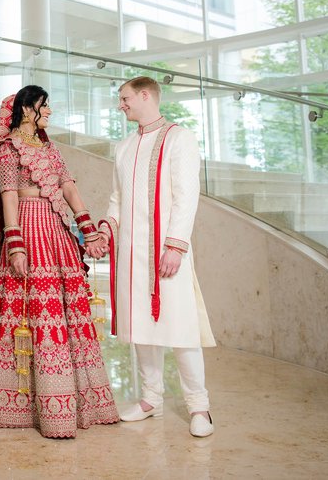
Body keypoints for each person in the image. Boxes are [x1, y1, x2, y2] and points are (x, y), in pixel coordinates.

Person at [0, 85, 119, 438]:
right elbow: (8, 198)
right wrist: (15, 245)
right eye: (43, 105)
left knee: (65, 312)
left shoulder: (50, 147)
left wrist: (89, 230)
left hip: (55, 227)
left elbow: (69, 188)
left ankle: (73, 400)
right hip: (29, 228)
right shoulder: (6, 150)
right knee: (30, 313)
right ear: (26, 109)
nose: (49, 111)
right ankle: (21, 406)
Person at [99, 76, 216, 438]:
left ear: (145, 95)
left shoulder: (180, 138)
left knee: (181, 330)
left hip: (168, 253)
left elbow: (187, 195)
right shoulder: (123, 147)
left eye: (125, 98)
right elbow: (118, 198)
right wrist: (107, 228)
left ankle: (200, 407)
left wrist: (176, 245)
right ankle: (151, 399)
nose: (121, 105)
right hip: (132, 255)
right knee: (141, 331)